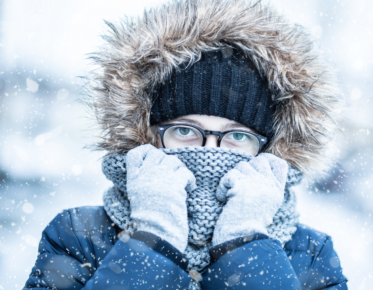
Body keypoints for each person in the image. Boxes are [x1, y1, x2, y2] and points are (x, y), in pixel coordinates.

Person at [23, 0, 348, 289]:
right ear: (149, 135)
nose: (210, 151)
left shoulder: (310, 254)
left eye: (237, 136)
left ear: (267, 149)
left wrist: (246, 241)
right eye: (184, 130)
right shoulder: (79, 236)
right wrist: (152, 236)